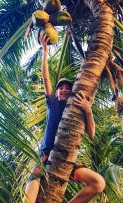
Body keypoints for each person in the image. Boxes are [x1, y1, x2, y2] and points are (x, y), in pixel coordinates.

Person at [23, 34, 105, 203]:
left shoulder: (76, 111)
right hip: (45, 158)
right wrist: (45, 51)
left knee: (98, 184)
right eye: (61, 88)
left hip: (67, 160)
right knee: (28, 201)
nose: (64, 90)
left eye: (68, 88)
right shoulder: (52, 103)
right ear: (57, 92)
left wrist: (88, 111)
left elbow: (91, 134)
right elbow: (45, 78)